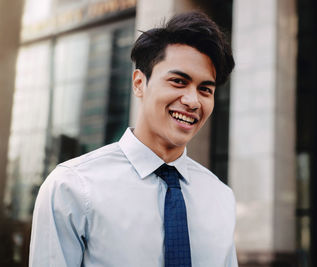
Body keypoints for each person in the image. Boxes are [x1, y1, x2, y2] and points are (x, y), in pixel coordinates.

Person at [29, 11, 236, 267]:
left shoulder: (221, 197)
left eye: (205, 89)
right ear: (139, 83)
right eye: (178, 81)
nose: (193, 101)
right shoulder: (71, 187)